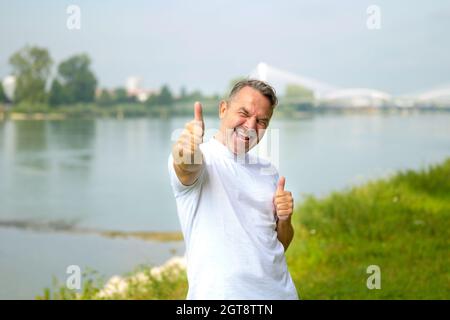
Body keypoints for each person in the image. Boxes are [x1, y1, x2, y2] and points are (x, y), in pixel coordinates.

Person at [168, 79, 299, 299]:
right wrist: (187, 151)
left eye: (261, 121)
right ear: (223, 109)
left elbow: (279, 245)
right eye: (244, 113)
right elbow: (187, 167)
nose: (250, 126)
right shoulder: (204, 159)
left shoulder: (269, 171)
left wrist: (285, 219)